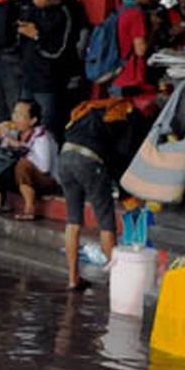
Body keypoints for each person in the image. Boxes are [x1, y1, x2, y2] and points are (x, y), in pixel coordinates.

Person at [58, 96, 151, 290]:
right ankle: (117, 280)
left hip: (65, 156)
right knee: (106, 223)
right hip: (89, 161)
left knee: (73, 221)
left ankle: (73, 279)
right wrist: (126, 195)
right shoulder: (129, 117)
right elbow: (120, 159)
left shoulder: (91, 108)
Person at [17, 0, 74, 141]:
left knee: (46, 128)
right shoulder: (34, 10)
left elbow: (59, 50)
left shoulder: (64, 14)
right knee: (22, 122)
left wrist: (37, 36)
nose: (35, 1)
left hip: (48, 81)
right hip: (28, 75)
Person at [0, 99, 58, 221]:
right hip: (21, 180)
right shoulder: (13, 132)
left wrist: (20, 147)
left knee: (22, 165)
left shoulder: (42, 137)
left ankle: (29, 208)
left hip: (46, 180)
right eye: (14, 113)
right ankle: (0, 202)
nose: (15, 118)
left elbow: (44, 167)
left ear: (32, 120)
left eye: (20, 115)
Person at [112, 0, 161, 96]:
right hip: (130, 78)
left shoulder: (122, 8)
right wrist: (154, 29)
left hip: (117, 74)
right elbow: (141, 50)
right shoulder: (136, 14)